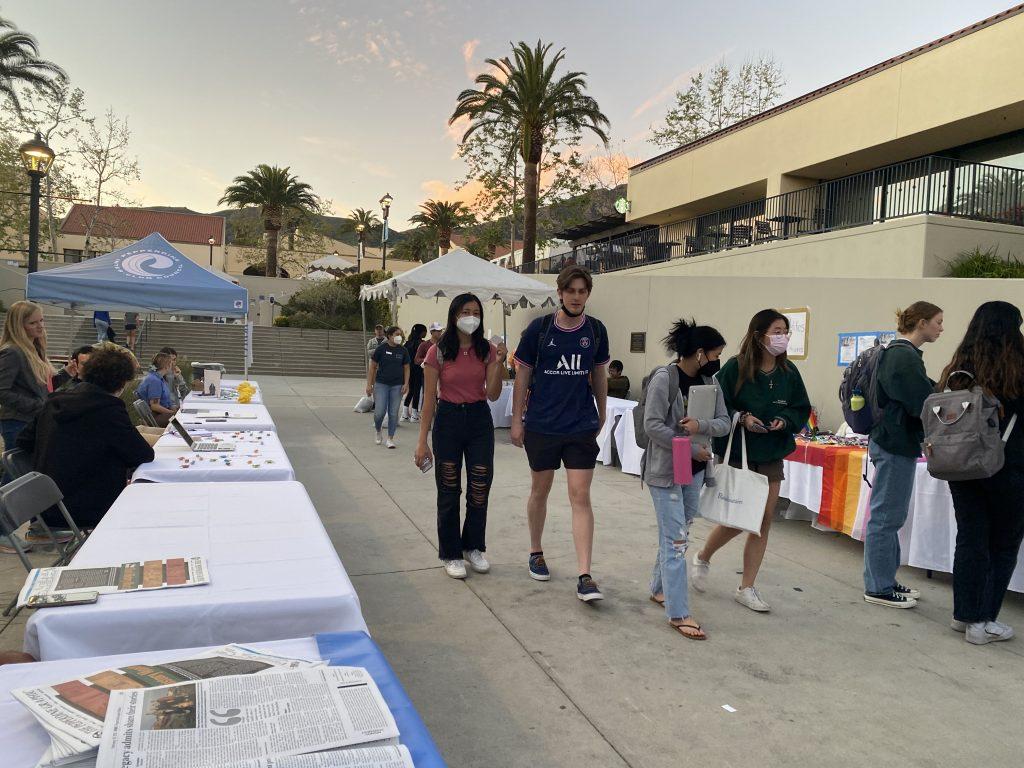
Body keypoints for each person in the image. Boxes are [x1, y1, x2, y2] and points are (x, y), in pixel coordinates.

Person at [693, 309, 811, 613]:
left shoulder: (789, 373)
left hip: (772, 451)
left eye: (785, 331)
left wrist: (784, 420)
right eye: (776, 330)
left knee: (762, 521)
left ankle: (746, 587)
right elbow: (719, 403)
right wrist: (742, 418)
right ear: (759, 335)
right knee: (737, 517)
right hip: (738, 452)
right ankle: (703, 555)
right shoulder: (735, 367)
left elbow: (800, 407)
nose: (782, 336)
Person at [511, 265, 610, 602]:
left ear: (588, 295)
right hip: (542, 424)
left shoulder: (596, 330)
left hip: (580, 424)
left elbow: (599, 374)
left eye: (582, 291)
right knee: (540, 490)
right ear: (561, 292)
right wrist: (517, 420)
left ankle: (585, 575)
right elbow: (523, 375)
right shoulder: (539, 330)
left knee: (580, 496)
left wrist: (602, 410)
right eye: (571, 291)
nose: (577, 296)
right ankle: (536, 551)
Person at [936, 302, 1024, 644]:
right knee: (1002, 545)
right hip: (1008, 466)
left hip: (963, 465)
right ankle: (983, 620)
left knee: (971, 539)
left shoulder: (957, 368)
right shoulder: (1016, 367)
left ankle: (964, 615)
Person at [643, 320, 731, 639]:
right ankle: (678, 612)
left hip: (694, 472)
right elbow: (652, 425)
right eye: (715, 353)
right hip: (666, 471)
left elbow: (723, 423)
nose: (718, 359)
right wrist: (687, 446)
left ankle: (658, 587)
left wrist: (700, 426)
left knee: (679, 531)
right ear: (699, 352)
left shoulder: (710, 382)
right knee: (677, 539)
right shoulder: (664, 378)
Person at [415, 294, 507, 579]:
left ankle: (473, 547)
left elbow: (492, 393)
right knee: (449, 487)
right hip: (449, 420)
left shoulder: (487, 350)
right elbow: (429, 398)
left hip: (479, 420)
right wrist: (422, 442)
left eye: (476, 312)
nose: (471, 316)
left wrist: (500, 362)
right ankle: (451, 552)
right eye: (466, 311)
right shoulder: (438, 351)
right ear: (454, 315)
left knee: (480, 486)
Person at [18, 347, 155, 531]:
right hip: (88, 508)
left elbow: (23, 441)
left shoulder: (54, 401)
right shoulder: (108, 409)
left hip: (45, 506)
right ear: (121, 383)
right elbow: (142, 454)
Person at [863, 301, 943, 609]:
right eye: (937, 321)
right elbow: (920, 403)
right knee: (886, 516)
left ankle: (885, 578)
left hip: (894, 442)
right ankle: (878, 586)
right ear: (921, 323)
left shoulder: (898, 353)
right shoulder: (903, 357)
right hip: (895, 443)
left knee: (891, 515)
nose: (941, 327)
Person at [0, 301, 56, 554]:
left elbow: (39, 389)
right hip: (17, 423)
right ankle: (2, 532)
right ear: (19, 325)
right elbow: (3, 391)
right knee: (16, 479)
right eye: (33, 323)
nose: (40, 327)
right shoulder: (13, 352)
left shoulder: (32, 349)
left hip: (29, 421)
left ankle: (36, 527)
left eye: (41, 321)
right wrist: (36, 407)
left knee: (26, 477)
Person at [366, 326, 409, 448]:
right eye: (396, 334)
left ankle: (390, 438)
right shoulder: (381, 349)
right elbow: (373, 367)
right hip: (381, 384)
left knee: (393, 413)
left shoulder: (403, 350)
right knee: (379, 412)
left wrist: (406, 384)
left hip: (397, 385)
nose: (399, 337)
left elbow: (407, 368)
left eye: (400, 334)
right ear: (389, 336)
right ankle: (378, 430)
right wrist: (369, 384)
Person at [136, 352, 178, 427]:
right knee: (181, 417)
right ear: (167, 366)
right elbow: (154, 406)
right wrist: (171, 412)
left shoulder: (158, 378)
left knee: (182, 412)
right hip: (155, 417)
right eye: (171, 364)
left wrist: (175, 409)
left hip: (159, 414)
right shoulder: (154, 381)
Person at [401, 323, 428, 422]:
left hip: (408, 369)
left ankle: (404, 414)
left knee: (411, 390)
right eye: (425, 331)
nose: (426, 333)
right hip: (418, 369)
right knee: (417, 391)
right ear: (422, 333)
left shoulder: (407, 343)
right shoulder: (422, 343)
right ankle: (414, 414)